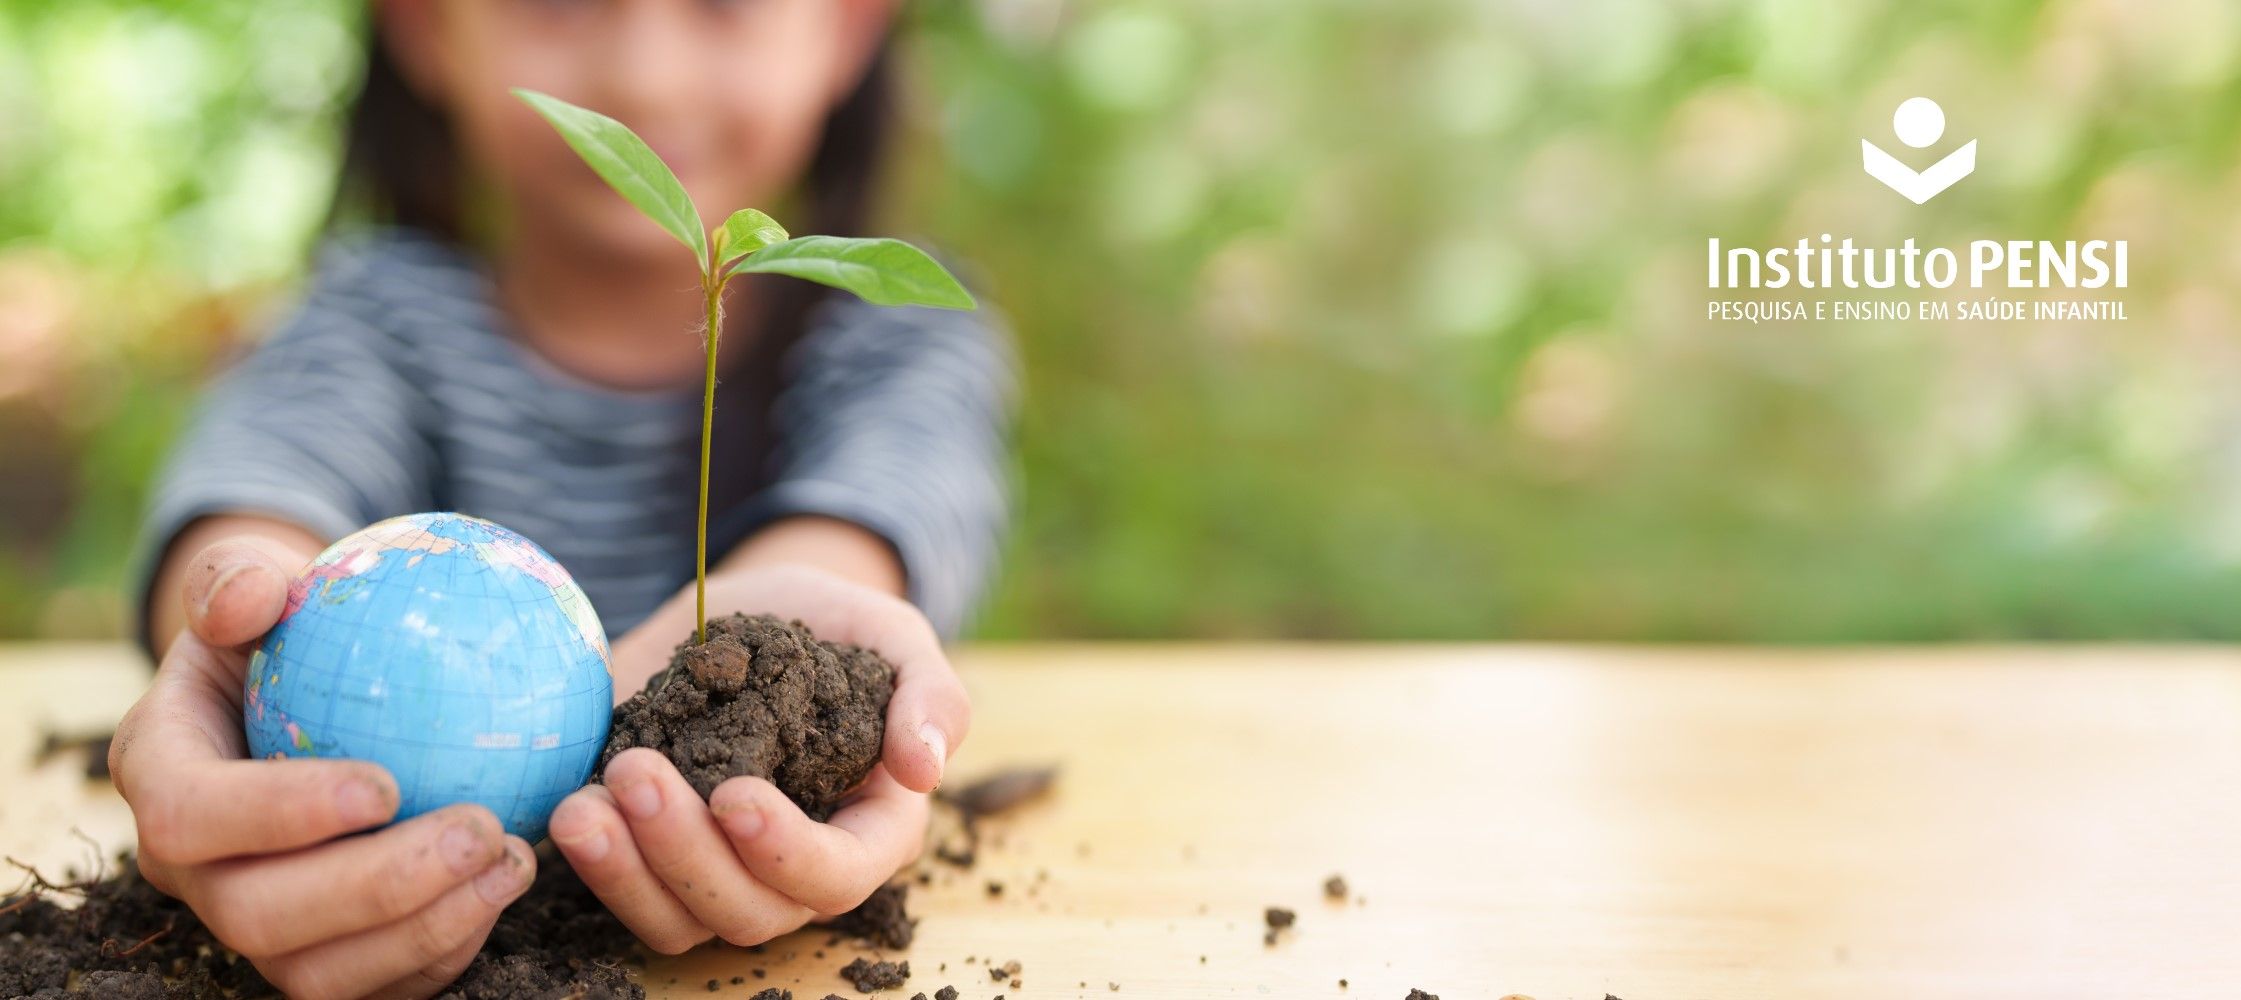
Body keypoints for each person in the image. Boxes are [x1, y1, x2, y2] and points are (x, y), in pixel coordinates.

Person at [106, 1, 1012, 996]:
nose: (643, 80)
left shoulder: (891, 340)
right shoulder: (370, 321)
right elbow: (263, 487)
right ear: (424, 27)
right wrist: (236, 631)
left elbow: (869, 521)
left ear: (846, 29)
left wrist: (791, 663)